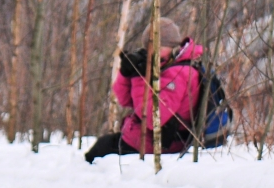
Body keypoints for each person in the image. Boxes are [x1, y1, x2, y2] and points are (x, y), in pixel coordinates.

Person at [85, 18, 203, 162]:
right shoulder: (165, 66)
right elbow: (125, 100)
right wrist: (126, 73)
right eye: (149, 48)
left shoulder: (179, 74)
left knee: (98, 155)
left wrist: (139, 78)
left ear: (171, 46)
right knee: (99, 149)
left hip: (158, 146)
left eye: (156, 47)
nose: (152, 52)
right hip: (142, 139)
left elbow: (154, 119)